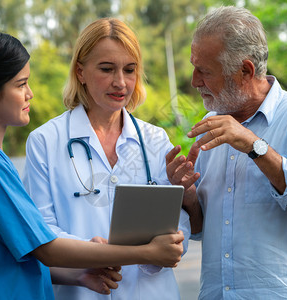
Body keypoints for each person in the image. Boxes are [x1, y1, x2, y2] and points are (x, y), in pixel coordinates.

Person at [0, 29, 185, 300]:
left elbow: (15, 252)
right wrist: (145, 252)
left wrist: (76, 274)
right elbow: (46, 248)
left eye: (130, 69)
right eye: (21, 84)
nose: (30, 94)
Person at [166, 6, 287, 299]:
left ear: (245, 70)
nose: (195, 81)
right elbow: (203, 230)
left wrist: (254, 146)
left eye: (205, 71)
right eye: (193, 66)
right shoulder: (213, 124)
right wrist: (187, 195)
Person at [22, 18, 191, 300]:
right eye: (106, 69)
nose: (120, 82)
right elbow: (41, 230)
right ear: (80, 72)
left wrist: (167, 246)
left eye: (130, 69)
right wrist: (92, 251)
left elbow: (176, 228)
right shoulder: (45, 141)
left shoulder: (155, 140)